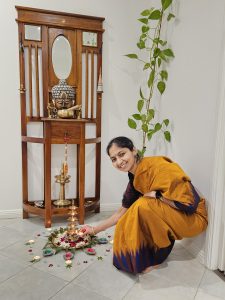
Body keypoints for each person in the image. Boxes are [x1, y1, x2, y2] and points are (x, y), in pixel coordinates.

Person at [80, 136, 208, 274]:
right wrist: (94, 230)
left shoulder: (157, 166)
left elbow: (188, 205)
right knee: (134, 212)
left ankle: (156, 257)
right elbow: (120, 214)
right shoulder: (135, 180)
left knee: (143, 205)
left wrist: (158, 196)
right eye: (114, 159)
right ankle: (145, 255)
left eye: (122, 154)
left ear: (134, 150)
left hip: (193, 218)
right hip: (178, 216)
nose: (119, 161)